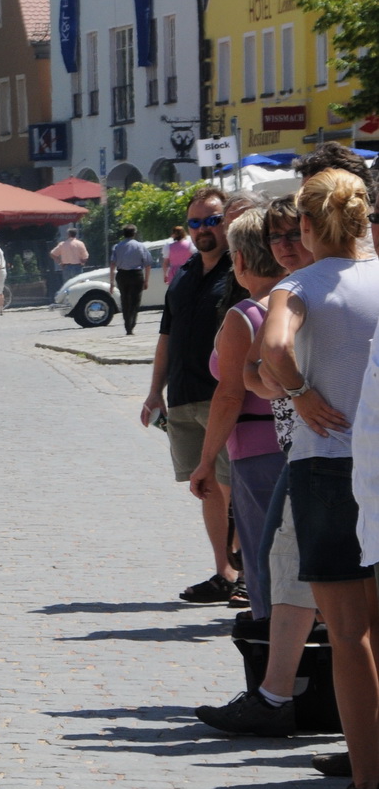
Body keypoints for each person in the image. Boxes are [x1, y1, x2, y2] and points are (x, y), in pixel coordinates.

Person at [259, 168, 379, 789]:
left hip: (326, 467)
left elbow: (274, 346)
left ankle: (366, 782)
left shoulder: (297, 285)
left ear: (304, 227)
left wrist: (300, 392)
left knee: (348, 634)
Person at [188, 209, 291, 735]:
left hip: (255, 447)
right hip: (303, 443)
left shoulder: (248, 315)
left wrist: (206, 461)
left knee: (264, 565)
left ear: (243, 259)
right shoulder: (302, 302)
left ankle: (278, 688)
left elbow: (229, 393)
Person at [142, 187, 241, 605]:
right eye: (196, 222)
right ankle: (224, 572)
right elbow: (167, 337)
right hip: (183, 398)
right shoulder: (183, 275)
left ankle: (248, 574)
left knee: (234, 487)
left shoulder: (240, 271)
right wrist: (154, 393)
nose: (204, 229)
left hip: (224, 396)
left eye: (212, 220)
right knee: (208, 490)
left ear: (227, 222)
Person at [110, 224, 151, 335]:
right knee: (135, 300)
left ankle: (127, 324)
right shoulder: (140, 246)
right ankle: (132, 324)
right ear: (134, 233)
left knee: (125, 299)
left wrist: (111, 282)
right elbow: (147, 264)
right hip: (136, 275)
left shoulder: (117, 247)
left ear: (124, 234)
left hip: (122, 275)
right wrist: (146, 280)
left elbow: (112, 264)